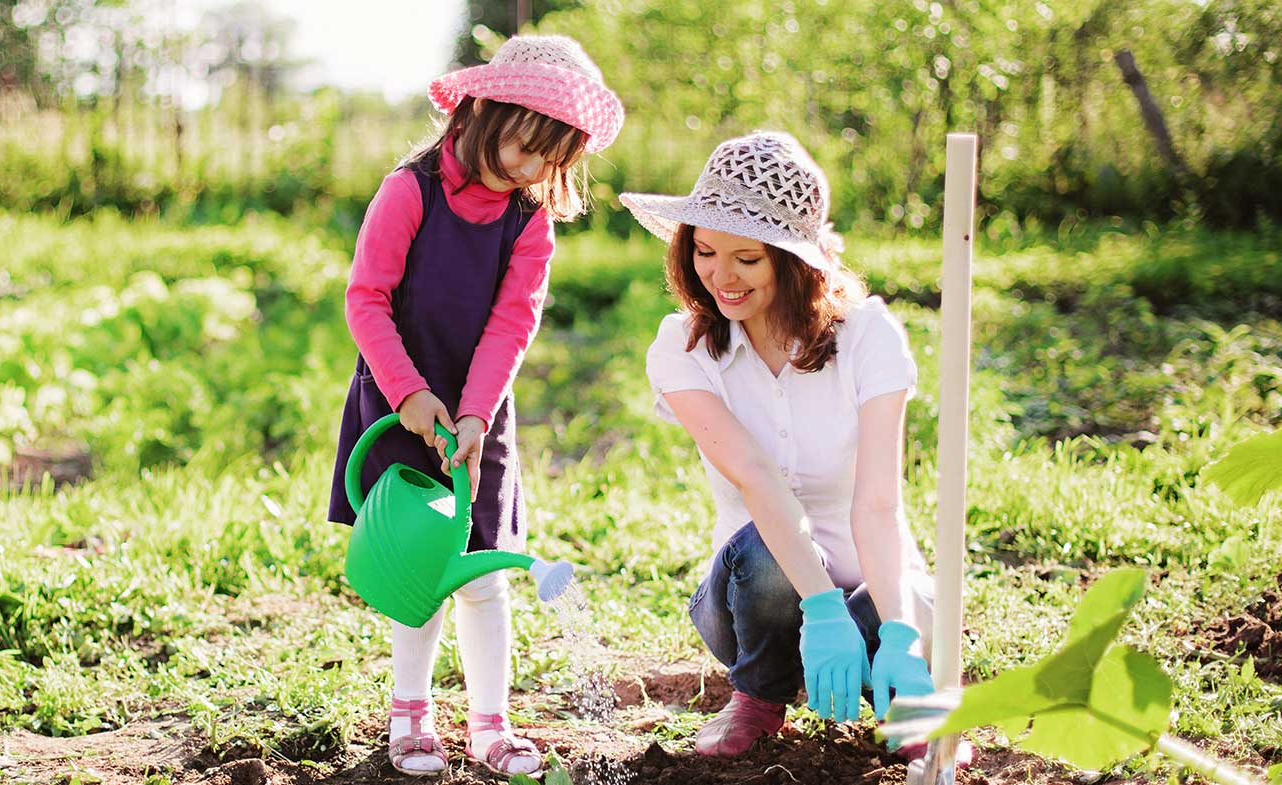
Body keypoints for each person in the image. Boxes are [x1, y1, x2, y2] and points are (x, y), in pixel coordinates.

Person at [324, 34, 623, 777]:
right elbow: (367, 299)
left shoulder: (529, 219)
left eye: (548, 161)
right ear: (485, 110)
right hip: (400, 400)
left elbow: (512, 321)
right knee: (422, 569)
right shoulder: (409, 190)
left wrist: (473, 413)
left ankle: (492, 725)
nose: (529, 170)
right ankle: (411, 715)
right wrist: (412, 393)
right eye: (525, 147)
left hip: (477, 416)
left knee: (484, 571)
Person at [626, 132, 968, 763]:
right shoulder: (682, 348)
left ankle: (906, 695)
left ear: (793, 261)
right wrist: (820, 607)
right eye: (704, 251)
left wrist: (894, 629)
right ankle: (757, 696)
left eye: (747, 260)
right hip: (756, 599)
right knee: (763, 551)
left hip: (871, 583)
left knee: (897, 631)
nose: (720, 277)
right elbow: (757, 477)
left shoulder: (867, 337)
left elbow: (878, 505)